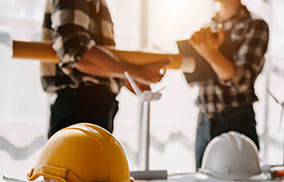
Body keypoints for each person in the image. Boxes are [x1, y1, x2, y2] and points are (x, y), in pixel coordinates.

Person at [41, 0, 167, 138]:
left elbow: (83, 57)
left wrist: (125, 78)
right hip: (79, 107)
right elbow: (75, 50)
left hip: (88, 106)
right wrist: (136, 72)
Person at [188, 0, 269, 169]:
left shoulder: (255, 25)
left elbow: (244, 80)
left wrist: (211, 54)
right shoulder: (206, 28)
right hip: (204, 120)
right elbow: (196, 75)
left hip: (236, 119)